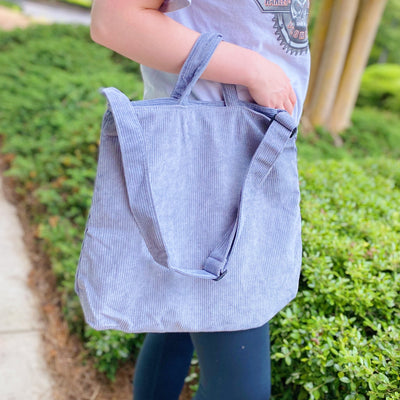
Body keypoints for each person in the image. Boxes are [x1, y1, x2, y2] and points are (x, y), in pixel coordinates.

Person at [89, 0, 311, 399]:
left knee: (179, 325)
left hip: (253, 149)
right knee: (241, 390)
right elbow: (112, 19)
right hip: (212, 160)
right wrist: (252, 69)